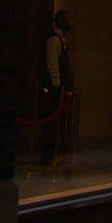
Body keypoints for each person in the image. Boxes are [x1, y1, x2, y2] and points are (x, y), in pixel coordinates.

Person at [39, 9, 74, 166]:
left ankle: (52, 153)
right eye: (68, 19)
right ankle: (46, 155)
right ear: (60, 20)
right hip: (54, 87)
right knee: (50, 121)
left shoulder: (60, 40)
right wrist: (56, 83)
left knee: (54, 121)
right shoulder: (54, 40)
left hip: (58, 86)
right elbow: (52, 63)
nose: (71, 22)